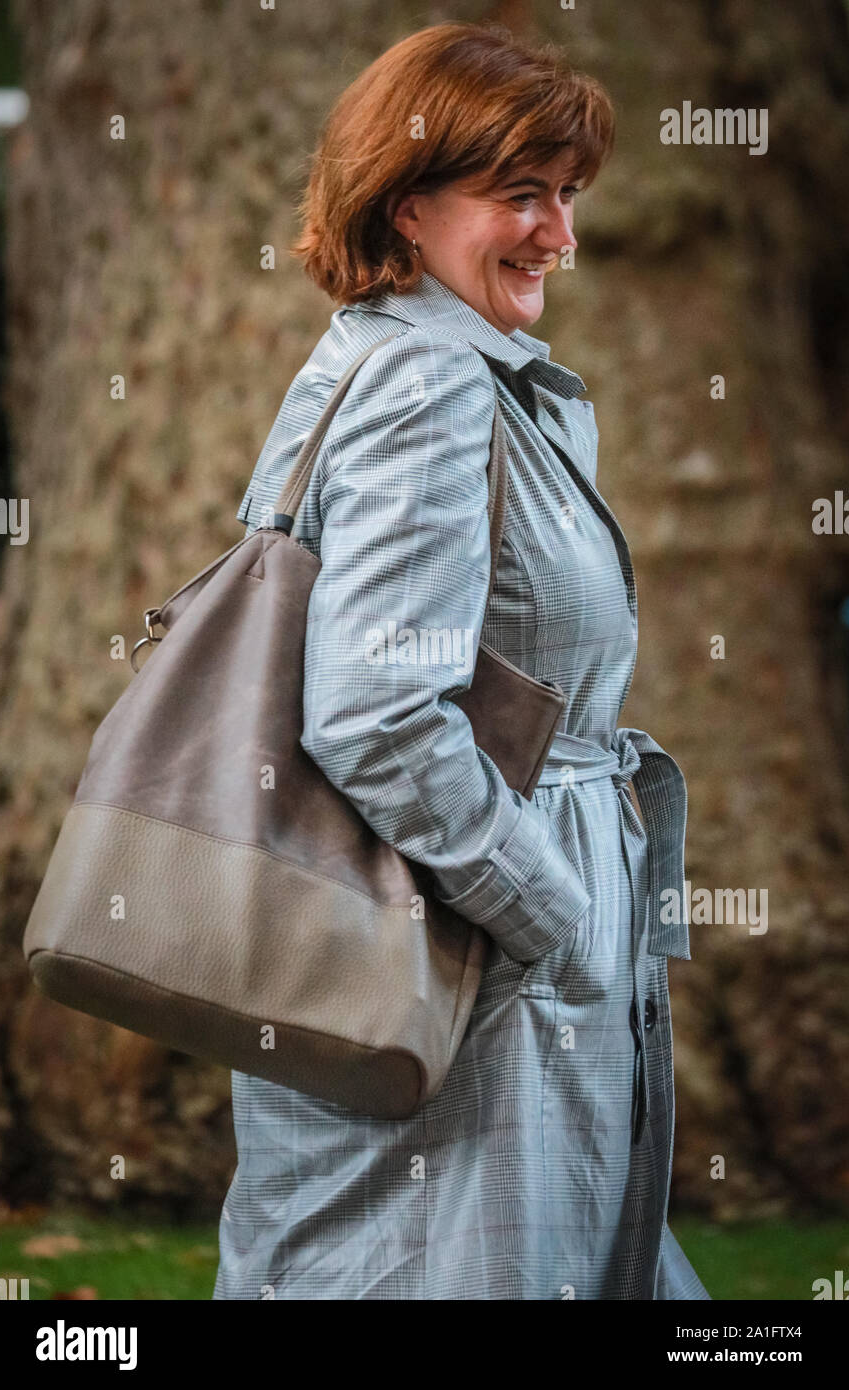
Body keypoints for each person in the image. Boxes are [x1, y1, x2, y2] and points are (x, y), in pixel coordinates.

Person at [213, 20, 711, 1300]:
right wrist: (544, 909)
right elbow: (377, 707)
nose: (561, 234)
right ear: (409, 203)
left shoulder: (407, 363)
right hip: (462, 956)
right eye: (522, 195)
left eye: (567, 196)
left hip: (448, 932)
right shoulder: (430, 384)